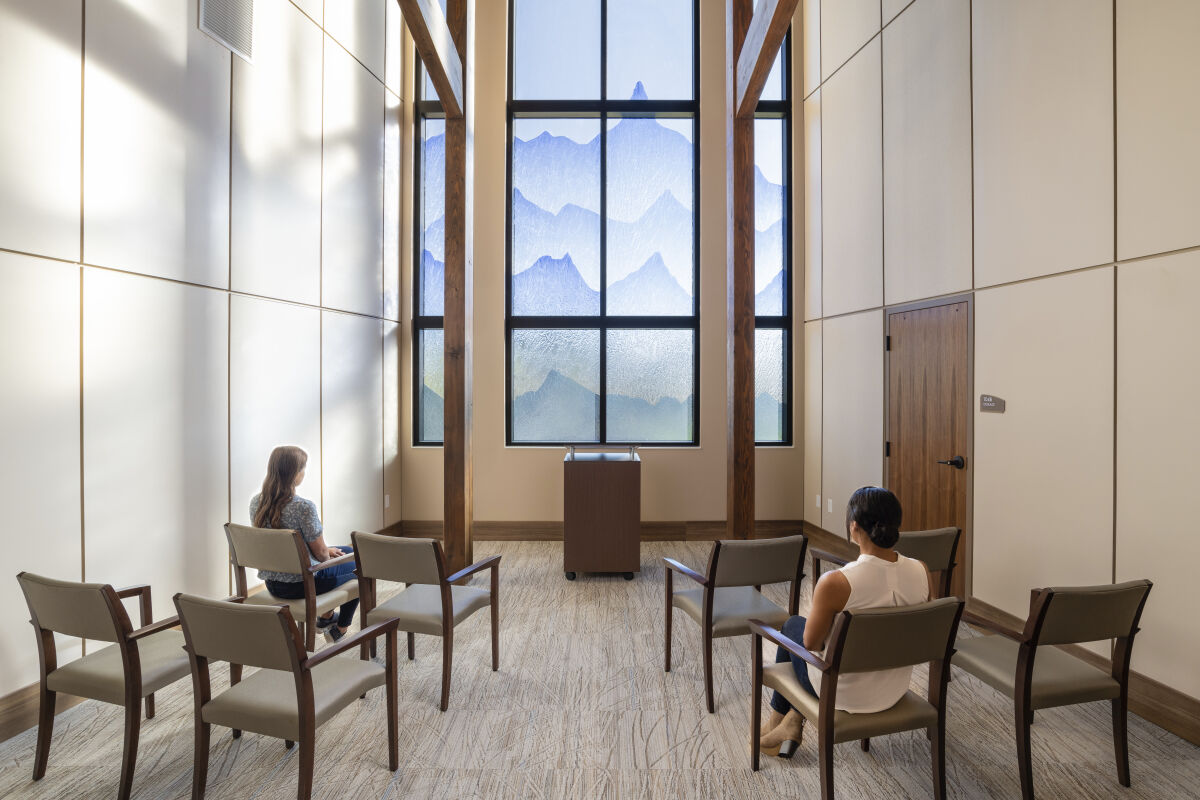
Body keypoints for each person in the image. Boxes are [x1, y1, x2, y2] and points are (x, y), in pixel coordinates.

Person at [759, 486, 931, 757]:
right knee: (799, 628)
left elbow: (812, 644)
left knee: (792, 626)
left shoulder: (836, 582)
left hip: (842, 695)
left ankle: (779, 720)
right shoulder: (921, 571)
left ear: (853, 527)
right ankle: (790, 719)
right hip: (894, 689)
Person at [249, 445, 358, 644]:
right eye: (303, 469)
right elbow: (323, 557)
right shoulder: (303, 507)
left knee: (347, 550)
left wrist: (328, 550)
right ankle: (340, 628)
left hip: (273, 584)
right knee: (360, 562)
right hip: (302, 586)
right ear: (295, 473)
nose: (303, 473)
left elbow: (284, 548)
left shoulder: (257, 503)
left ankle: (325, 618)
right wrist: (327, 552)